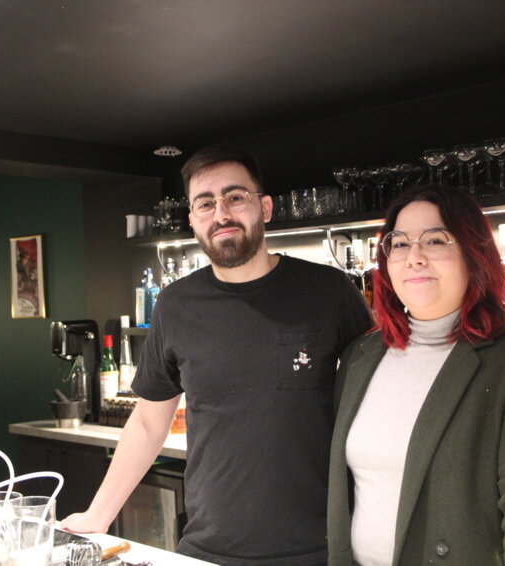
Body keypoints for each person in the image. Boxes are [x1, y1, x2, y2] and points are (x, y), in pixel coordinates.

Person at [62, 146, 373, 566]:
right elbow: (149, 423)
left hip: (317, 547)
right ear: (192, 220)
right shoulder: (175, 304)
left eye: (235, 197)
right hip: (207, 547)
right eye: (205, 203)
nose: (221, 213)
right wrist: (98, 516)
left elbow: (378, 400)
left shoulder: (329, 292)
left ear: (264, 207)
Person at [327, 184, 505, 566]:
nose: (414, 257)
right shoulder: (360, 355)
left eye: (435, 240)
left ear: (473, 252)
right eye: (399, 243)